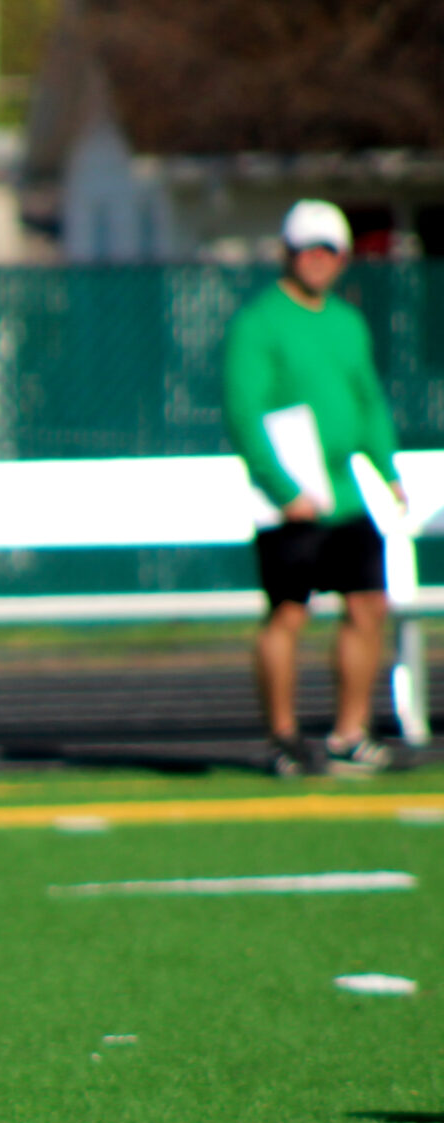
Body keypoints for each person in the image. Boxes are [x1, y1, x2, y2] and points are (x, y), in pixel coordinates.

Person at [223, 199, 408, 777]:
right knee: (288, 614)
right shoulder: (259, 323)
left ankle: (349, 736)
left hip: (345, 497)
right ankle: (284, 738)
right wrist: (282, 489)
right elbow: (243, 410)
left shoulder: (347, 322)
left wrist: (388, 467)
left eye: (327, 250)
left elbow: (367, 401)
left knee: (367, 606)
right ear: (287, 253)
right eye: (307, 249)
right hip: (292, 497)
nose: (317, 260)